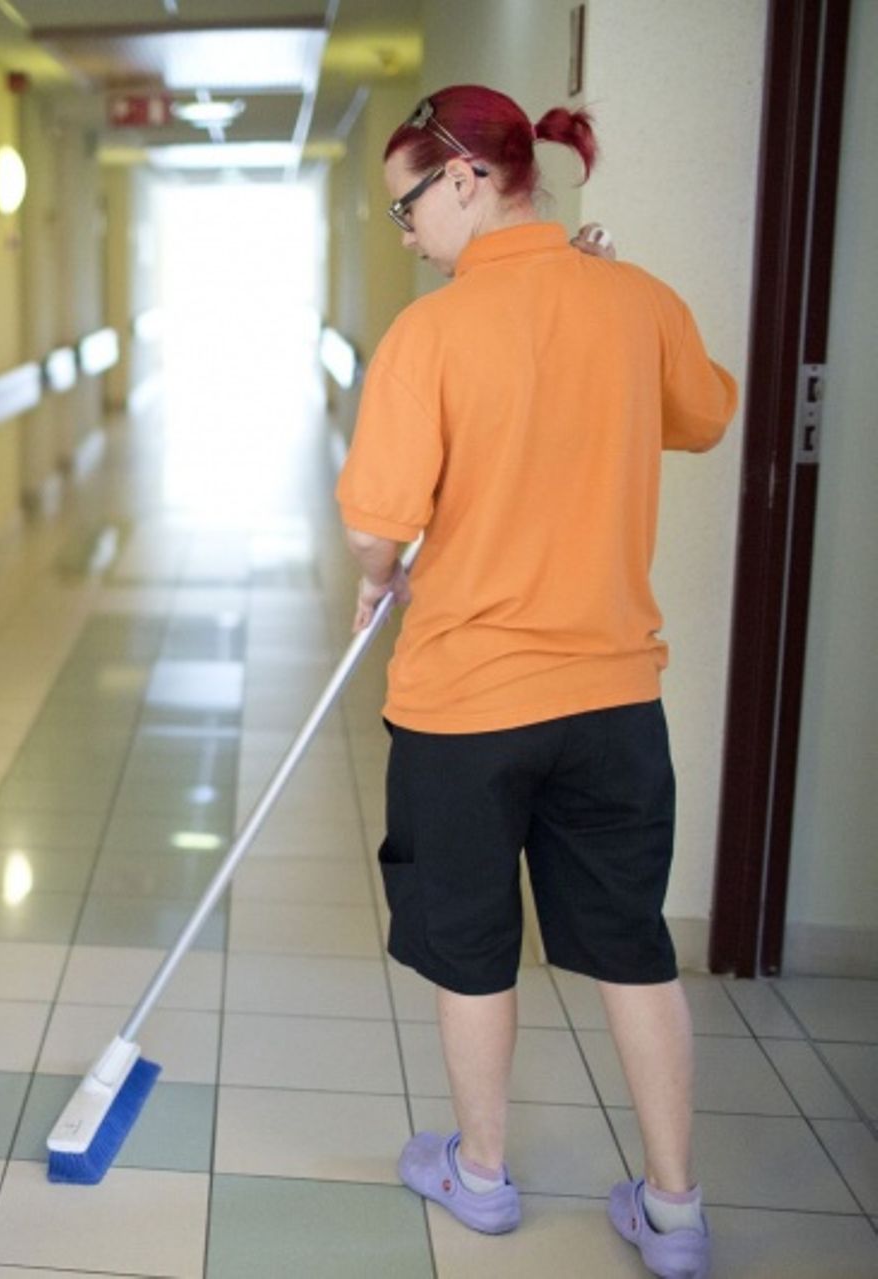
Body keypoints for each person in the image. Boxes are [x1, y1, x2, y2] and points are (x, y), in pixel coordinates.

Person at [336, 85, 736, 1279]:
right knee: (630, 946)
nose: (405, 234)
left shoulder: (432, 335)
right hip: (615, 699)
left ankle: (484, 1174)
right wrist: (615, 303)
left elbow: (377, 523)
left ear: (464, 180)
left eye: (408, 206)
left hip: (465, 703)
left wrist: (376, 577)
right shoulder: (636, 299)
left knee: (471, 948)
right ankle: (674, 1211)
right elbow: (704, 414)